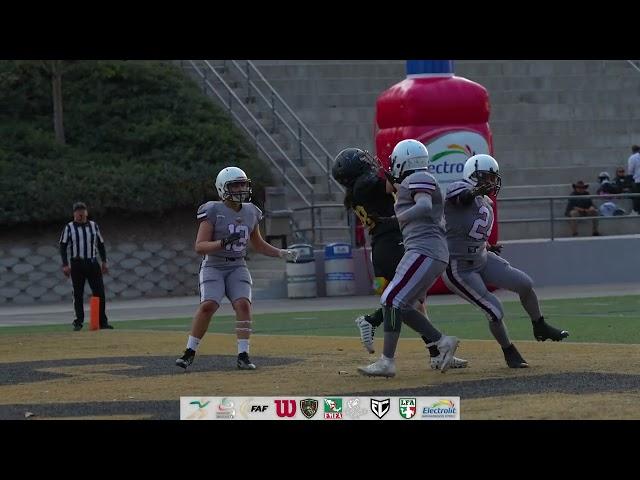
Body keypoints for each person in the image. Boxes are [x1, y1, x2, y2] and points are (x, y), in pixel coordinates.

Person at [331, 148, 467, 370]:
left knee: (408, 301)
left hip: (381, 248)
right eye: (365, 162)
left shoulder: (354, 194)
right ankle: (374, 323)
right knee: (401, 300)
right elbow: (397, 187)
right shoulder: (368, 185)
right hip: (395, 243)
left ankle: (435, 352)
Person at [441, 154, 569, 368]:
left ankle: (540, 324)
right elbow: (461, 198)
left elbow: (466, 230)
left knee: (525, 284)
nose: (492, 182)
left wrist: (488, 245)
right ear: (474, 175)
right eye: (488, 177)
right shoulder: (458, 187)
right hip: (458, 267)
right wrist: (473, 191)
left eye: (493, 178)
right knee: (495, 310)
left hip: (481, 258)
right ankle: (509, 351)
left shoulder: (486, 203)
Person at [175, 166, 299, 370]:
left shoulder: (251, 211)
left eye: (243, 184)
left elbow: (257, 244)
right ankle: (189, 352)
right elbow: (200, 246)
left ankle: (243, 355)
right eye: (236, 185)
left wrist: (281, 253)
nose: (241, 188)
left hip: (237, 265)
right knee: (209, 305)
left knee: (243, 304)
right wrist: (222, 243)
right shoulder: (213, 210)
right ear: (223, 188)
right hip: (214, 265)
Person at [59, 202, 112, 331]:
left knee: (99, 292)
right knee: (77, 293)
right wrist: (65, 264)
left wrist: (104, 261)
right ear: (74, 214)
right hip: (77, 263)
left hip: (92, 262)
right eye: (78, 211)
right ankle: (78, 321)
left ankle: (102, 321)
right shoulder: (69, 227)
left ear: (86, 212)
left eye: (82, 211)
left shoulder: (93, 226)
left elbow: (100, 244)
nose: (80, 214)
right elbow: (63, 245)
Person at [627, 145, 640, 214]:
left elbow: (630, 170)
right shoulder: (634, 157)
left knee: (637, 197)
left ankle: (636, 211)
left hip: (637, 180)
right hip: (638, 179)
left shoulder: (632, 157)